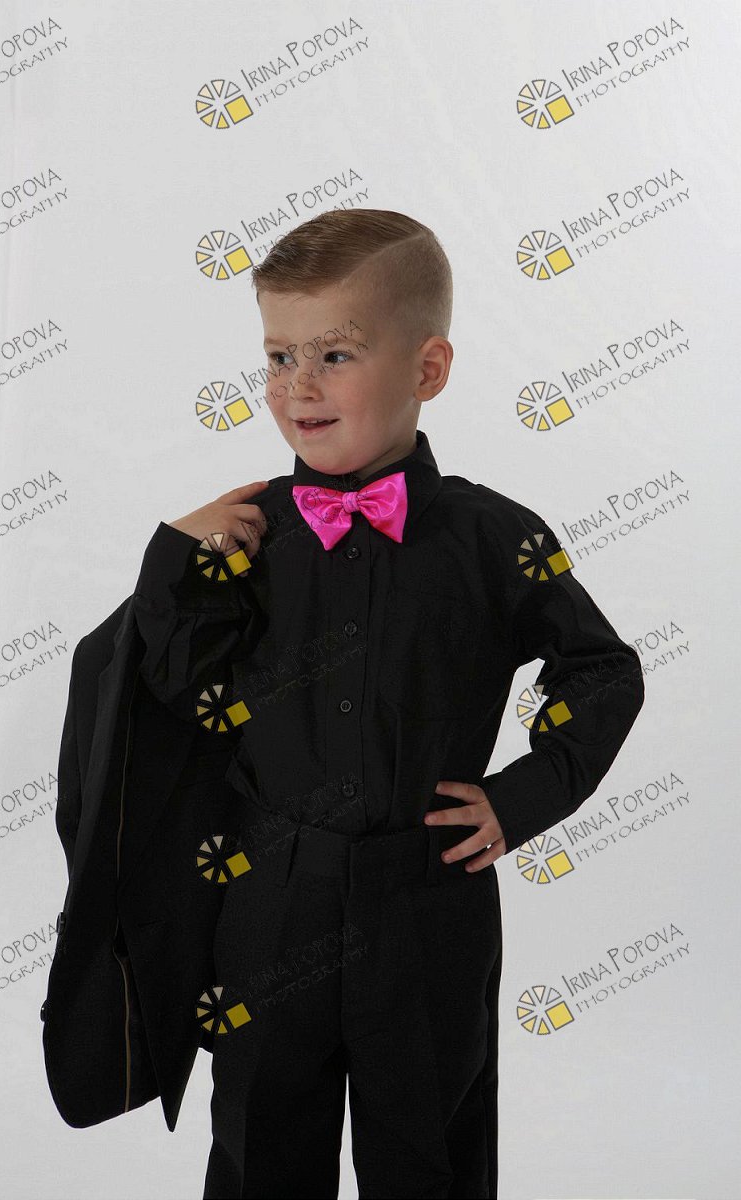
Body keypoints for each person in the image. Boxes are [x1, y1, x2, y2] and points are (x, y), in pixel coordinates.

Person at [127, 209, 645, 1198]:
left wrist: (522, 796)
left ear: (428, 368)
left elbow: (602, 670)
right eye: (279, 355)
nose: (299, 385)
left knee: (431, 1155)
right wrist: (171, 567)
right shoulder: (240, 537)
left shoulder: (494, 538)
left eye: (335, 354)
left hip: (429, 901)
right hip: (267, 903)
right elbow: (170, 698)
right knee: (259, 1149)